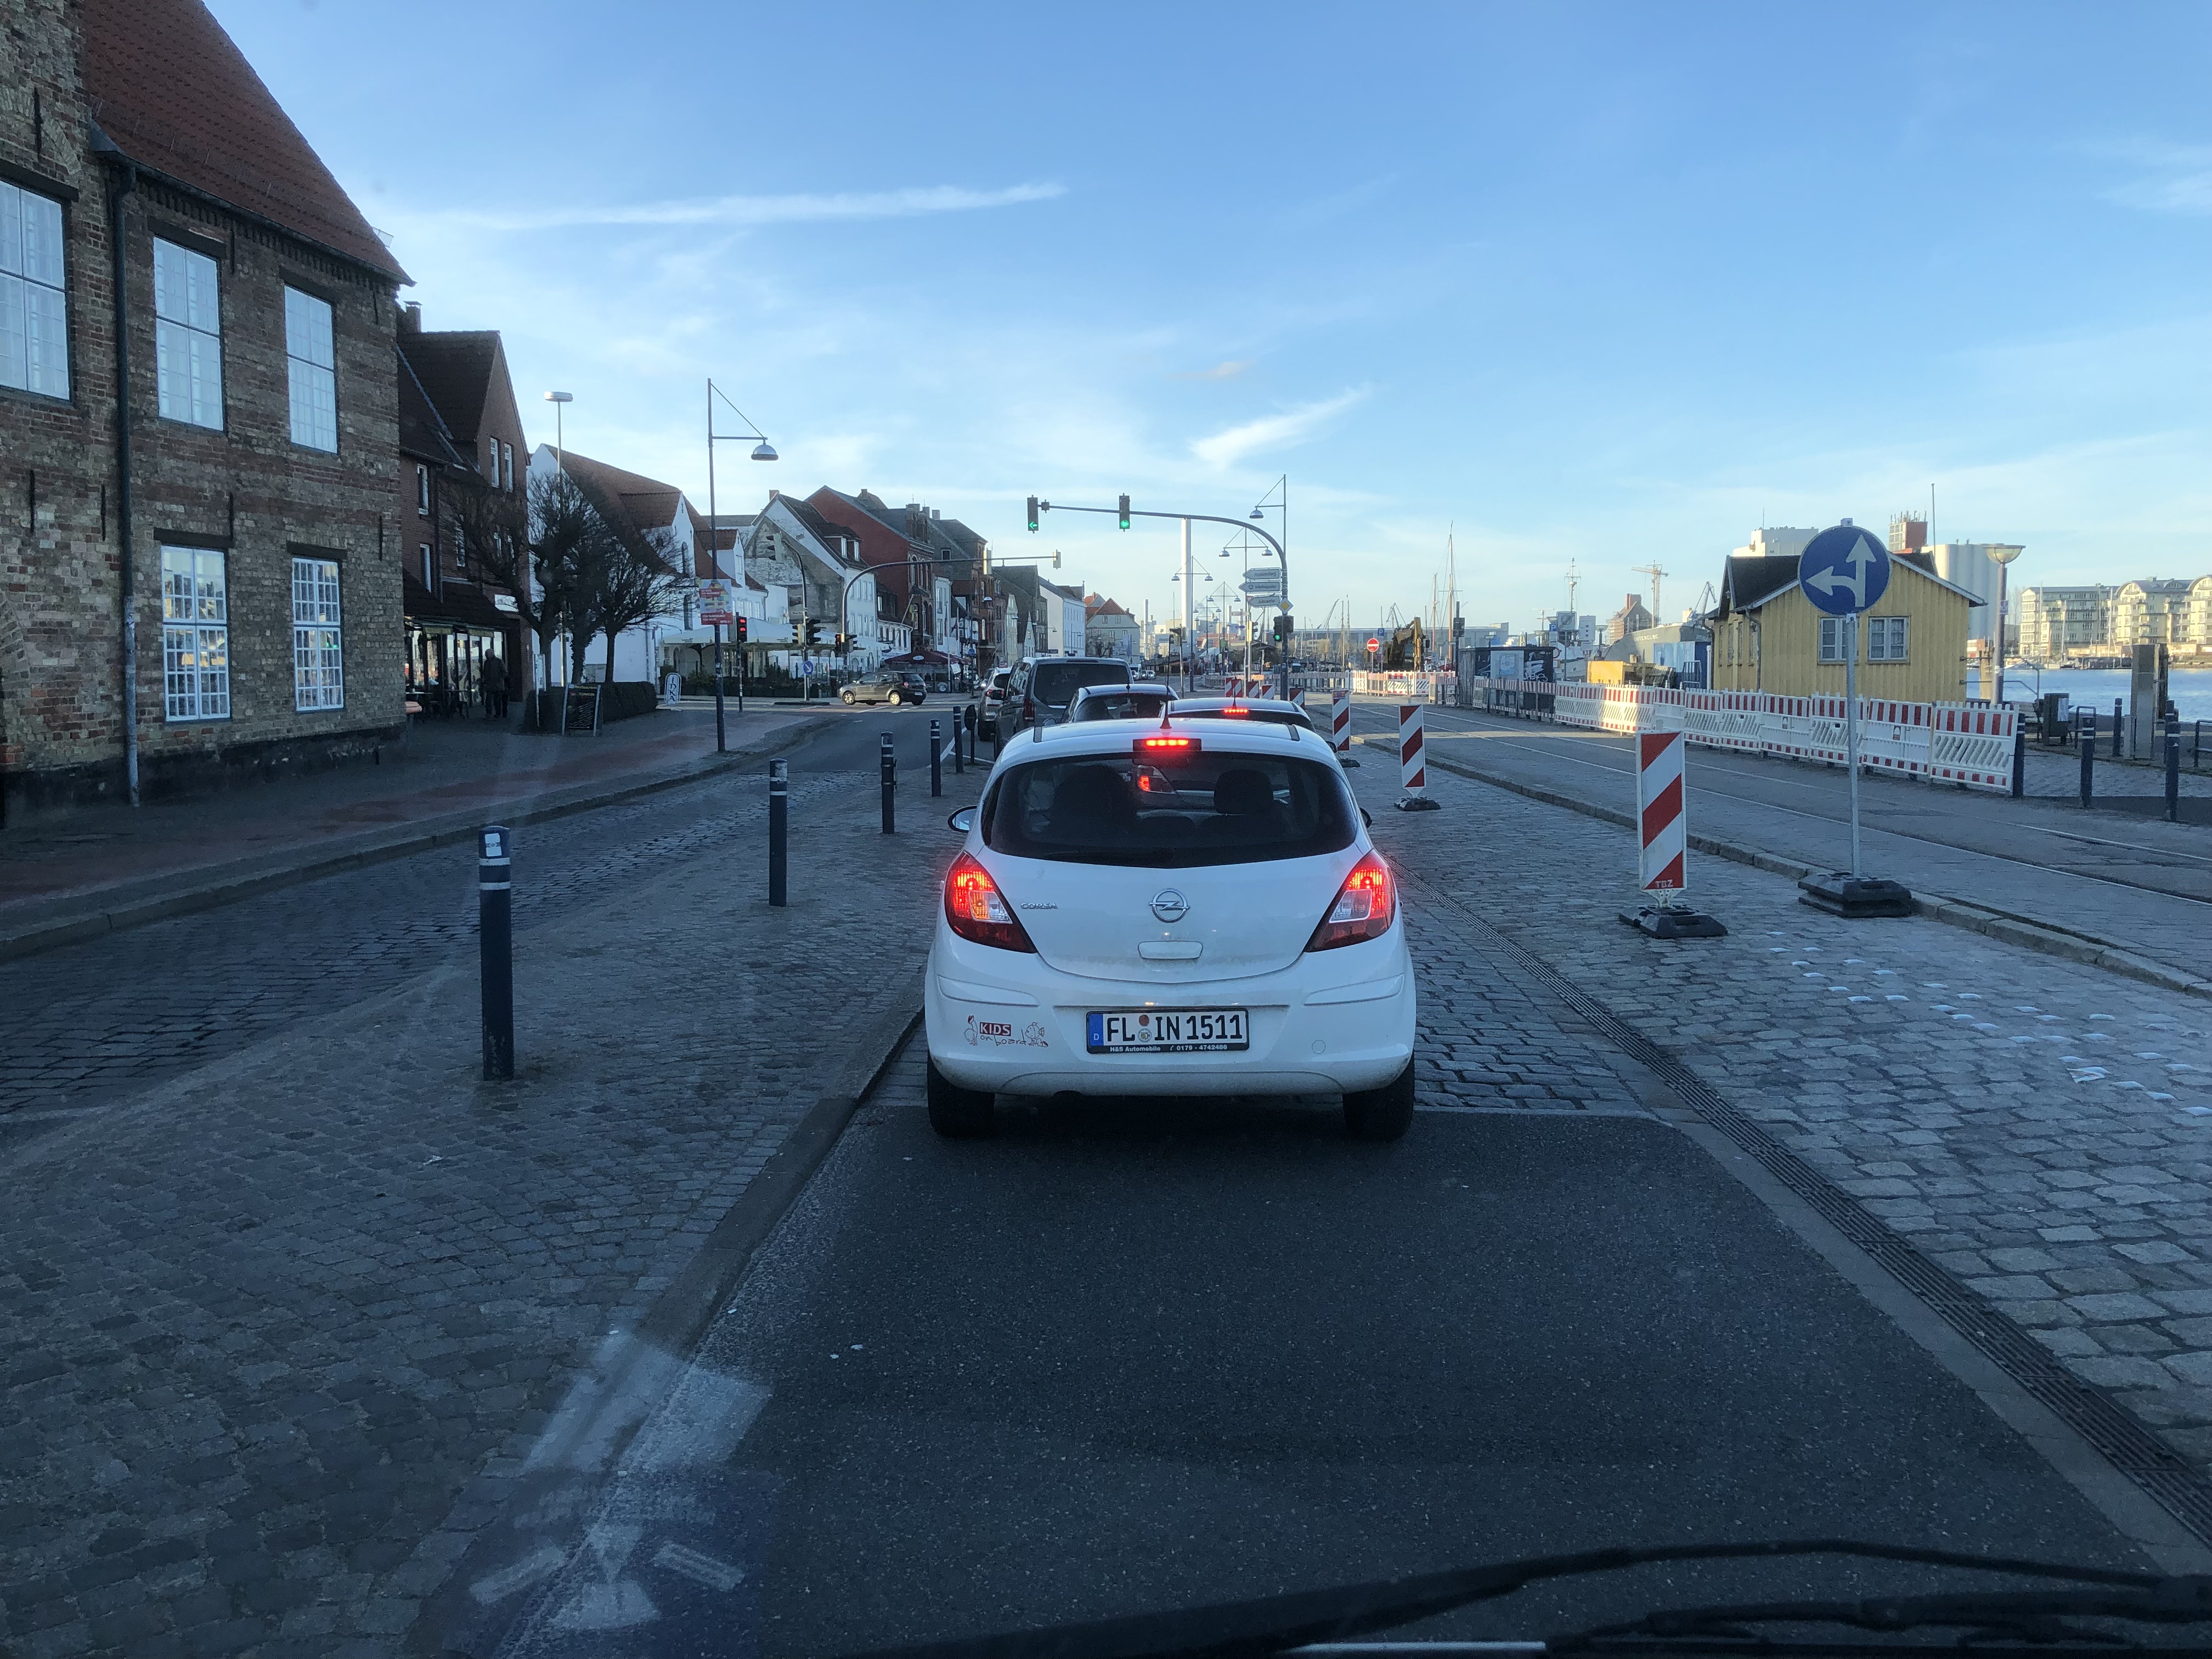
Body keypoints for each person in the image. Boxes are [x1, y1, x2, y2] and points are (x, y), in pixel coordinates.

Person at [481, 651, 509, 720]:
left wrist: (500, 679)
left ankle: (498, 714)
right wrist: (485, 680)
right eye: (486, 654)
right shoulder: (486, 662)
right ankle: (489, 713)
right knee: (488, 700)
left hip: (498, 685)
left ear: (492, 654)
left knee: (497, 700)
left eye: (487, 654)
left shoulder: (499, 661)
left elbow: (504, 672)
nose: (486, 656)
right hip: (489, 684)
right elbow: (485, 672)